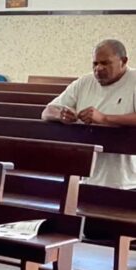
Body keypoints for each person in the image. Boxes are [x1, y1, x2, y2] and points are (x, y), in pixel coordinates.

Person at [43, 39, 136, 190]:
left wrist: (104, 118)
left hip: (127, 182)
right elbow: (47, 111)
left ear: (123, 61)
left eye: (105, 63)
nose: (98, 68)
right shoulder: (84, 82)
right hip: (85, 179)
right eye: (95, 63)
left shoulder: (134, 80)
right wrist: (61, 114)